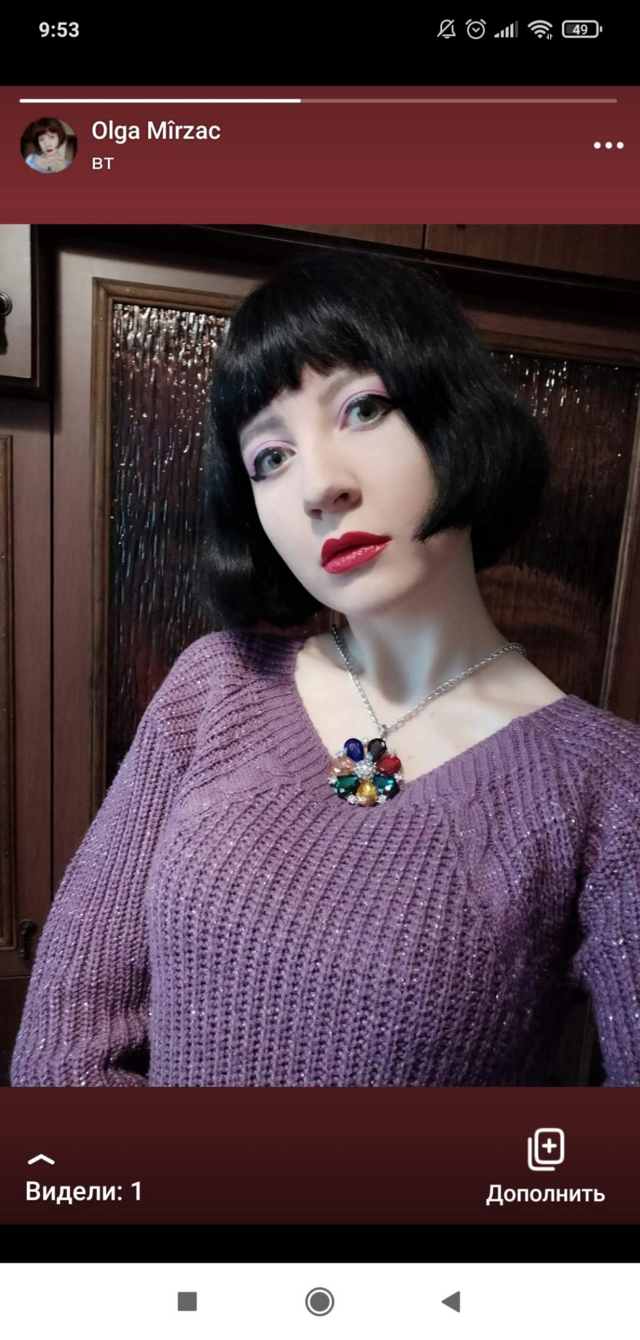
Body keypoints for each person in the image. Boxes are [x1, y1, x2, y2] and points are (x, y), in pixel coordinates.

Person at [10, 249, 640, 1087]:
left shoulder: (605, 786)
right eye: (270, 458)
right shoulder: (215, 688)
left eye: (363, 409)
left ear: (457, 414)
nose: (319, 487)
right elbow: (62, 1047)